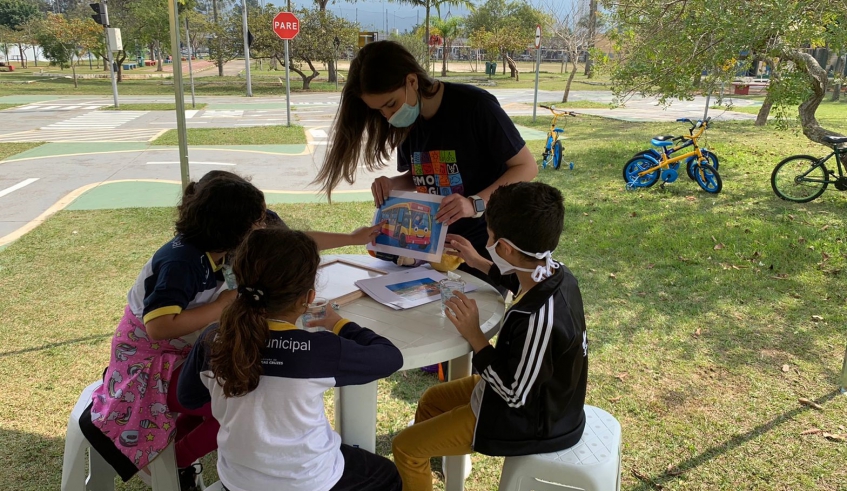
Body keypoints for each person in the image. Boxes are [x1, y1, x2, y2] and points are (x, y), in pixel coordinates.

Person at [80, 171, 382, 491]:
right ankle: (173, 464)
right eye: (258, 220)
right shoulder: (179, 262)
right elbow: (158, 328)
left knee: (235, 395)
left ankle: (177, 453)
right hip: (151, 364)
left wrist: (352, 238)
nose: (265, 223)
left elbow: (293, 242)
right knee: (238, 406)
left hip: (189, 351)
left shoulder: (228, 239)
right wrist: (222, 305)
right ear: (234, 231)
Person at [391, 182, 588, 491]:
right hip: (529, 394)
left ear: (506, 249)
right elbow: (517, 279)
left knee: (404, 447)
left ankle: (416, 460)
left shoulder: (538, 318)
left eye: (490, 236)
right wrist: (476, 260)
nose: (487, 241)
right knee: (431, 400)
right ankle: (424, 471)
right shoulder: (554, 272)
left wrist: (475, 335)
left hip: (530, 421)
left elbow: (513, 394)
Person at [178, 228, 404, 491]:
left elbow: (189, 398)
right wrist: (339, 324)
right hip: (308, 481)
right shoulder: (318, 349)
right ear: (308, 299)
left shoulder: (211, 340)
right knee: (388, 475)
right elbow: (390, 357)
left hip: (238, 480)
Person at [317, 40, 538, 277]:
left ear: (412, 81)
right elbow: (419, 174)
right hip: (434, 245)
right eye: (380, 111)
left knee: (479, 311)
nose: (389, 117)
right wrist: (393, 183)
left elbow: (526, 167)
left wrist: (474, 203)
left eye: (391, 104)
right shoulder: (408, 122)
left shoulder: (475, 106)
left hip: (484, 244)